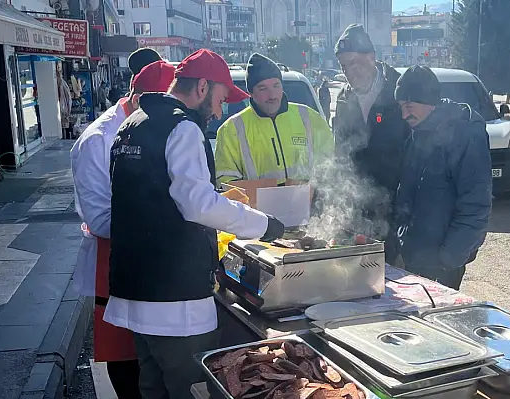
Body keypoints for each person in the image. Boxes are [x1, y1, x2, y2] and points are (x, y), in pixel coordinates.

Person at [105, 49, 285, 399]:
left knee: (152, 388)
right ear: (202, 87)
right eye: (219, 99)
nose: (219, 112)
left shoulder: (132, 124)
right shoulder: (183, 127)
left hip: (134, 292)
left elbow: (151, 198)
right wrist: (265, 225)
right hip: (176, 301)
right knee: (194, 390)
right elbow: (197, 204)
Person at [70, 57, 173, 399]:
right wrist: (167, 221)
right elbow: (99, 219)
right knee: (126, 358)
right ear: (141, 98)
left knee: (157, 357)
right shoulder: (97, 140)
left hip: (157, 259)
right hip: (113, 260)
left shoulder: (161, 128)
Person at [387, 66, 492, 290]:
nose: (404, 115)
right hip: (415, 256)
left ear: (428, 101)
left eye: (409, 106)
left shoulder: (465, 134)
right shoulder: (416, 134)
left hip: (443, 264)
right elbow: (405, 194)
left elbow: (476, 205)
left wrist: (448, 259)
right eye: (401, 107)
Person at [332, 23, 411, 240]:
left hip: (398, 206)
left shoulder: (398, 91)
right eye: (344, 65)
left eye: (354, 62)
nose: (349, 70)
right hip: (360, 206)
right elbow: (340, 153)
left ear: (372, 57)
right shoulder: (343, 99)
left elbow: (417, 150)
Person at [215, 53, 334, 185]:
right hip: (255, 206)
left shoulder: (309, 117)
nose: (271, 95)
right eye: (263, 88)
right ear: (251, 93)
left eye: (276, 86)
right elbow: (226, 183)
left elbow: (330, 164)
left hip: (309, 204)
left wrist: (313, 191)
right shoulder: (231, 130)